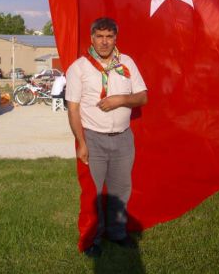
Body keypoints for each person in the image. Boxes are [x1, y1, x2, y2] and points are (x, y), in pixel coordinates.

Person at [65, 17, 148, 258]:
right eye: (99, 36)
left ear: (115, 39)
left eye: (109, 37)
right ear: (91, 38)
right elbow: (73, 109)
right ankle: (93, 237)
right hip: (93, 138)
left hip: (123, 138)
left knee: (120, 189)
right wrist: (81, 142)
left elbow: (142, 97)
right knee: (92, 193)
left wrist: (120, 100)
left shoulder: (127, 63)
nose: (104, 42)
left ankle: (117, 232)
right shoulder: (79, 68)